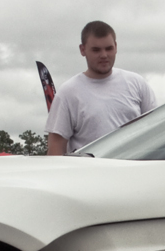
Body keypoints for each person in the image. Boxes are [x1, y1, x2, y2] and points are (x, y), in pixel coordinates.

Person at [45, 21, 158, 155]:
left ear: (116, 47)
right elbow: (56, 148)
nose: (104, 55)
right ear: (82, 50)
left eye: (109, 48)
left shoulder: (137, 83)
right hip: (90, 168)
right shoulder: (68, 93)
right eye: (96, 50)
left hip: (135, 166)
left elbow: (157, 130)